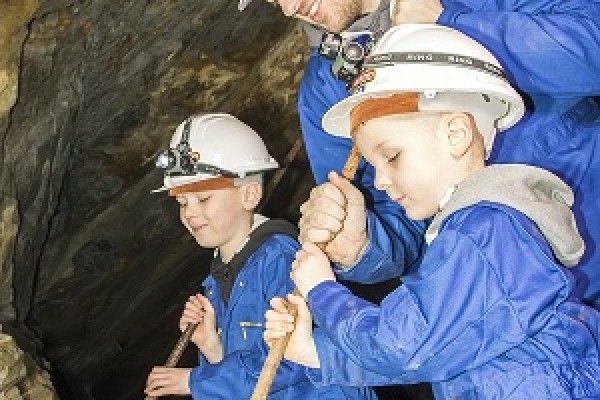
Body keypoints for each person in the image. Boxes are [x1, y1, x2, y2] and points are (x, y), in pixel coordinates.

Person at [264, 24, 600, 399]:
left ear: (456, 134)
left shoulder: (485, 230)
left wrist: (322, 290)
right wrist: (314, 352)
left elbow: (403, 345)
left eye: (392, 156)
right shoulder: (469, 233)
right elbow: (440, 351)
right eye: (373, 166)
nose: (379, 183)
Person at [240, 0, 600, 310]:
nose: (290, 9)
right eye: (273, 2)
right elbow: (400, 223)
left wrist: (449, 21)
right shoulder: (327, 90)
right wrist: (363, 245)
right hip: (509, 297)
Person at [143, 113, 376, 399]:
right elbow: (249, 381)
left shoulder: (282, 260)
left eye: (203, 199)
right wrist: (212, 347)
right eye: (182, 202)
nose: (190, 213)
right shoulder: (217, 281)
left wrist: (195, 381)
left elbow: (291, 360)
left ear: (249, 194)